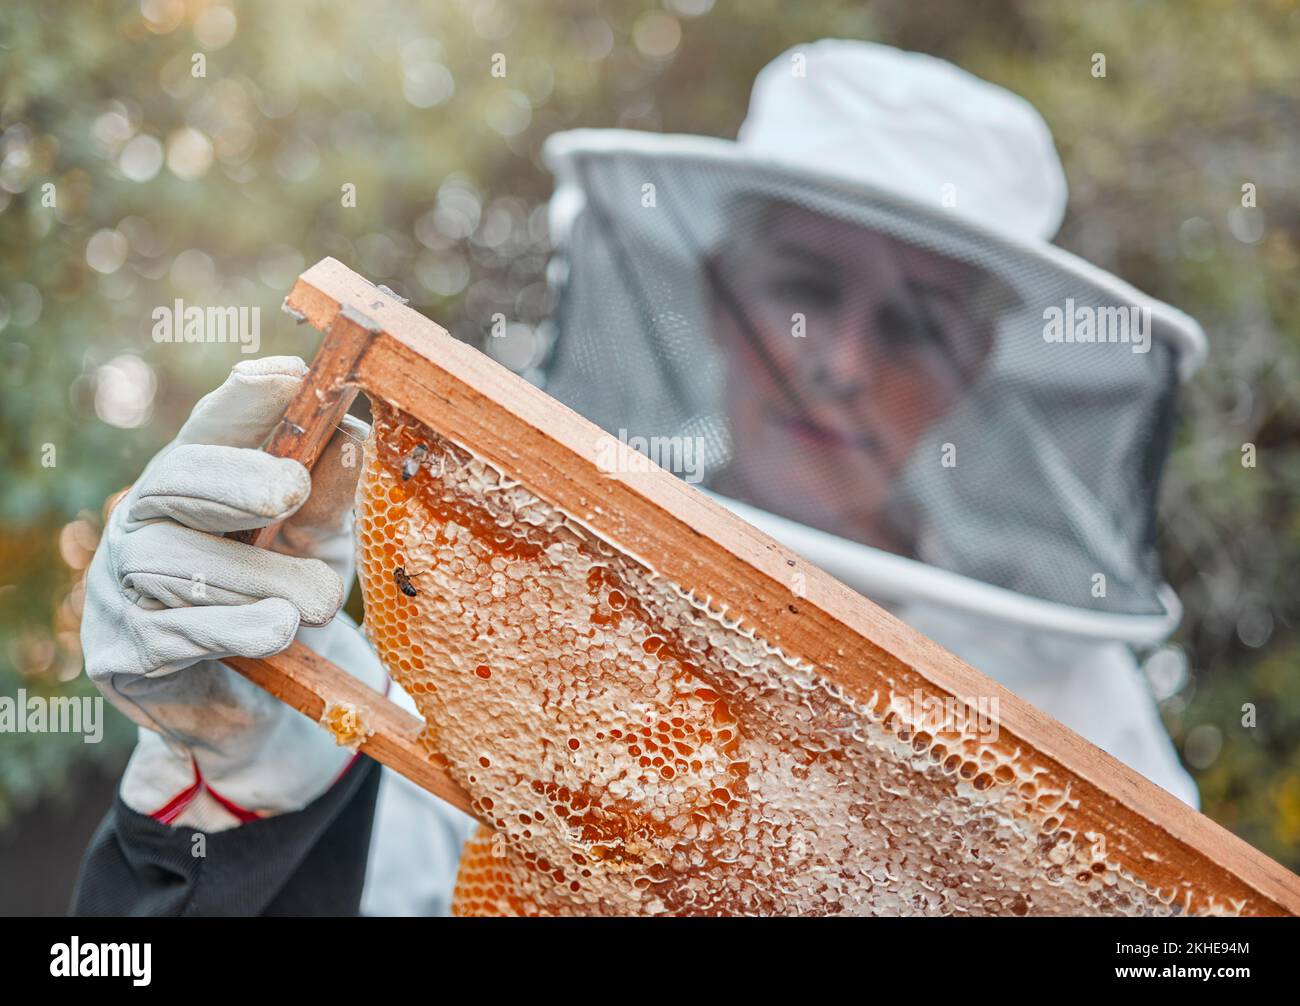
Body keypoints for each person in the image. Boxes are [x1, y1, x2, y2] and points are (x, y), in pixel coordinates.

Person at [74, 40, 1204, 916]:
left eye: (913, 326)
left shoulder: (1076, 702)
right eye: (801, 285)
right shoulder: (529, 598)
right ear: (721, 299)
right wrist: (247, 774)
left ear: (969, 372)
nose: (838, 360)